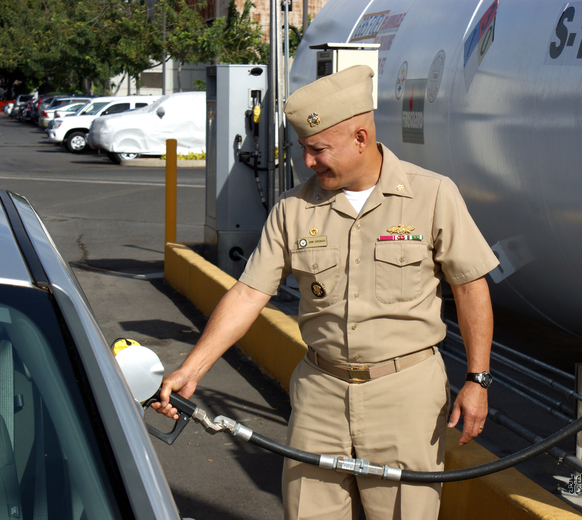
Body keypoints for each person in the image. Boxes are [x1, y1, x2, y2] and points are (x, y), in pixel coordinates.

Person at [153, 64, 499, 519]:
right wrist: (192, 369)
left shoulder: (432, 195)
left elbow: (470, 287)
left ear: (360, 137)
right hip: (320, 393)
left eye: (318, 150)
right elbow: (248, 294)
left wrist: (477, 380)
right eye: (304, 150)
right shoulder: (292, 209)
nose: (308, 162)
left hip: (405, 397)